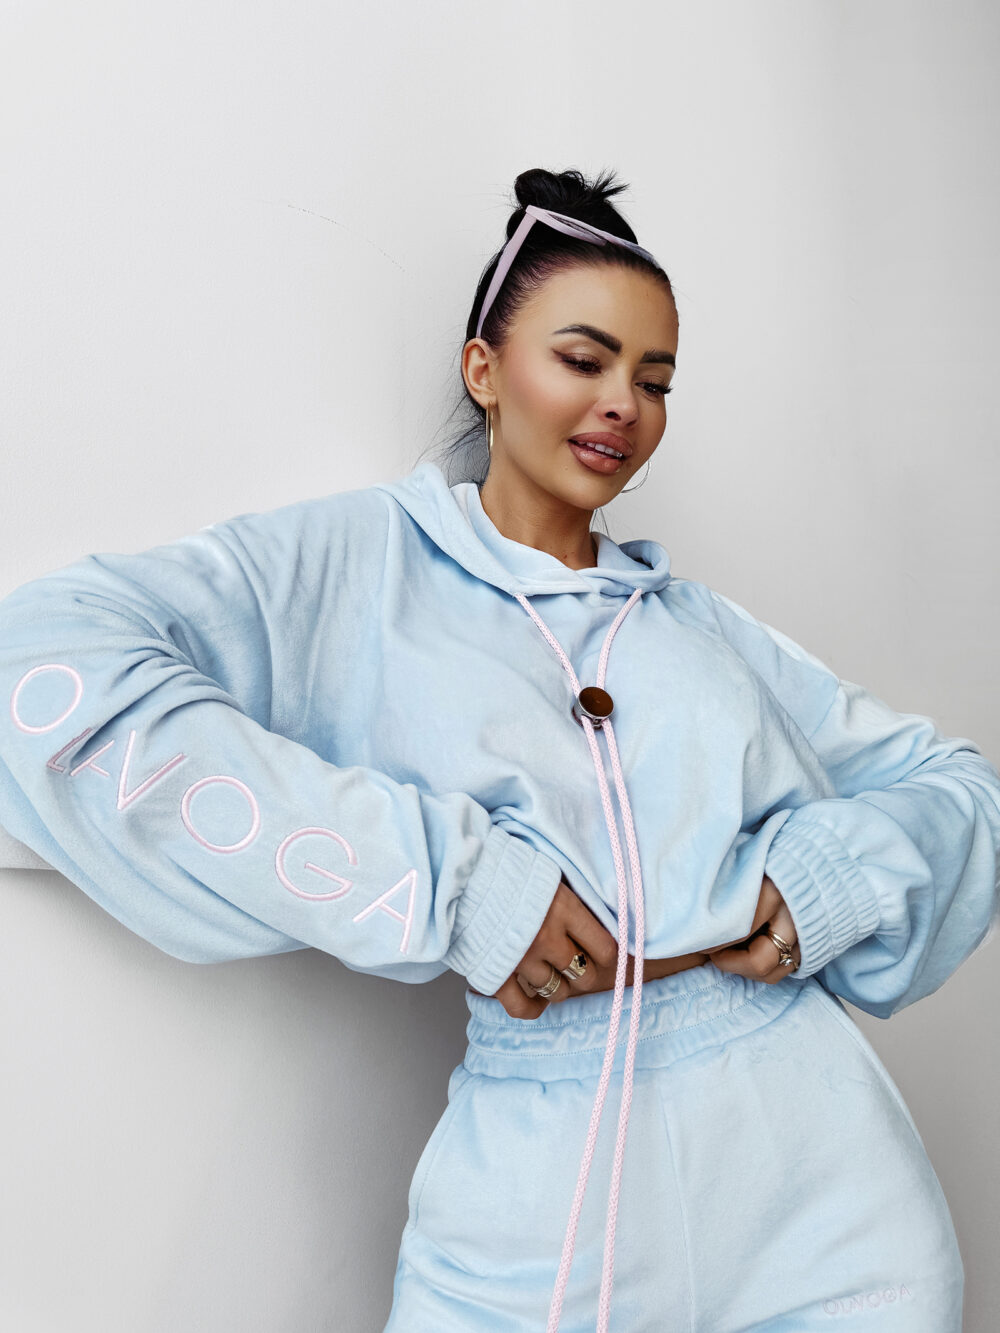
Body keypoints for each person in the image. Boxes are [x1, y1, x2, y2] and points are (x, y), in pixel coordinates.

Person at [0, 166, 997, 1333]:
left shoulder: (700, 626)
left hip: (829, 1213)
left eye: (654, 380)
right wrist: (446, 881)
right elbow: (40, 665)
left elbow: (960, 789)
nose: (623, 403)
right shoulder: (362, 569)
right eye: (583, 359)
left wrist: (834, 876)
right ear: (484, 368)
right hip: (536, 1212)